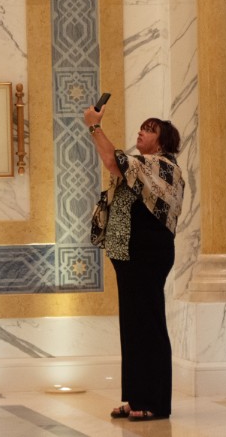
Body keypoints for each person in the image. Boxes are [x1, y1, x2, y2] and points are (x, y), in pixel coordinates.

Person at [84, 105, 185, 422]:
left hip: (148, 253)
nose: (141, 132)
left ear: (162, 141)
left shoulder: (163, 166)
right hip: (129, 254)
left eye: (149, 130)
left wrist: (94, 127)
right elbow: (119, 169)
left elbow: (112, 160)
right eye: (142, 127)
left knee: (149, 326)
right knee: (133, 327)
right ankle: (136, 397)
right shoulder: (143, 166)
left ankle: (156, 402)